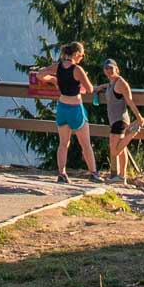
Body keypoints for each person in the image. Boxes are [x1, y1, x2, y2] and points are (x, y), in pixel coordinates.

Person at [37, 42, 103, 184]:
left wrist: (53, 79)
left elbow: (40, 75)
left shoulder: (57, 66)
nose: (82, 57)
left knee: (63, 143)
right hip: (75, 108)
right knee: (85, 144)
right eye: (82, 55)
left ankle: (62, 173)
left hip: (62, 107)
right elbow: (90, 89)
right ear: (76, 54)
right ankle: (93, 173)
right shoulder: (77, 69)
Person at [97, 59, 144, 185]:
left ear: (117, 69)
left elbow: (129, 101)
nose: (109, 70)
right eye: (106, 68)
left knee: (114, 151)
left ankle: (133, 132)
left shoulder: (120, 83)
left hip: (120, 120)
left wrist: (139, 117)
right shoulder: (111, 83)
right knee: (121, 148)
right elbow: (107, 86)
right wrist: (99, 87)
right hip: (114, 120)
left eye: (111, 68)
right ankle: (121, 176)